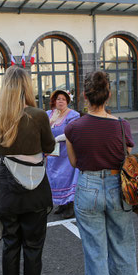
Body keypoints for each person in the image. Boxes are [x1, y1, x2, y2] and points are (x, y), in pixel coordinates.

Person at [65, 71, 138, 275]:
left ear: (85, 96)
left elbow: (75, 162)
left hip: (88, 186)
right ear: (109, 95)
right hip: (117, 186)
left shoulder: (73, 127)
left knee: (95, 248)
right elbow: (127, 155)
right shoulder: (122, 125)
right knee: (123, 240)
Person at [0, 66, 55, 275]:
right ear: (27, 87)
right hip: (34, 188)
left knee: (10, 245)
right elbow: (49, 145)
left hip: (6, 188)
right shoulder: (37, 115)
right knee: (34, 247)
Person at [46, 90, 80, 219]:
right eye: (58, 99)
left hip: (67, 152)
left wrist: (58, 138)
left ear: (67, 101)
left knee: (67, 177)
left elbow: (72, 131)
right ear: (54, 101)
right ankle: (61, 205)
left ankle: (70, 206)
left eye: (63, 99)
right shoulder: (48, 114)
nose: (60, 101)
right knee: (55, 178)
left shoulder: (73, 115)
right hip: (53, 153)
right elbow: (42, 129)